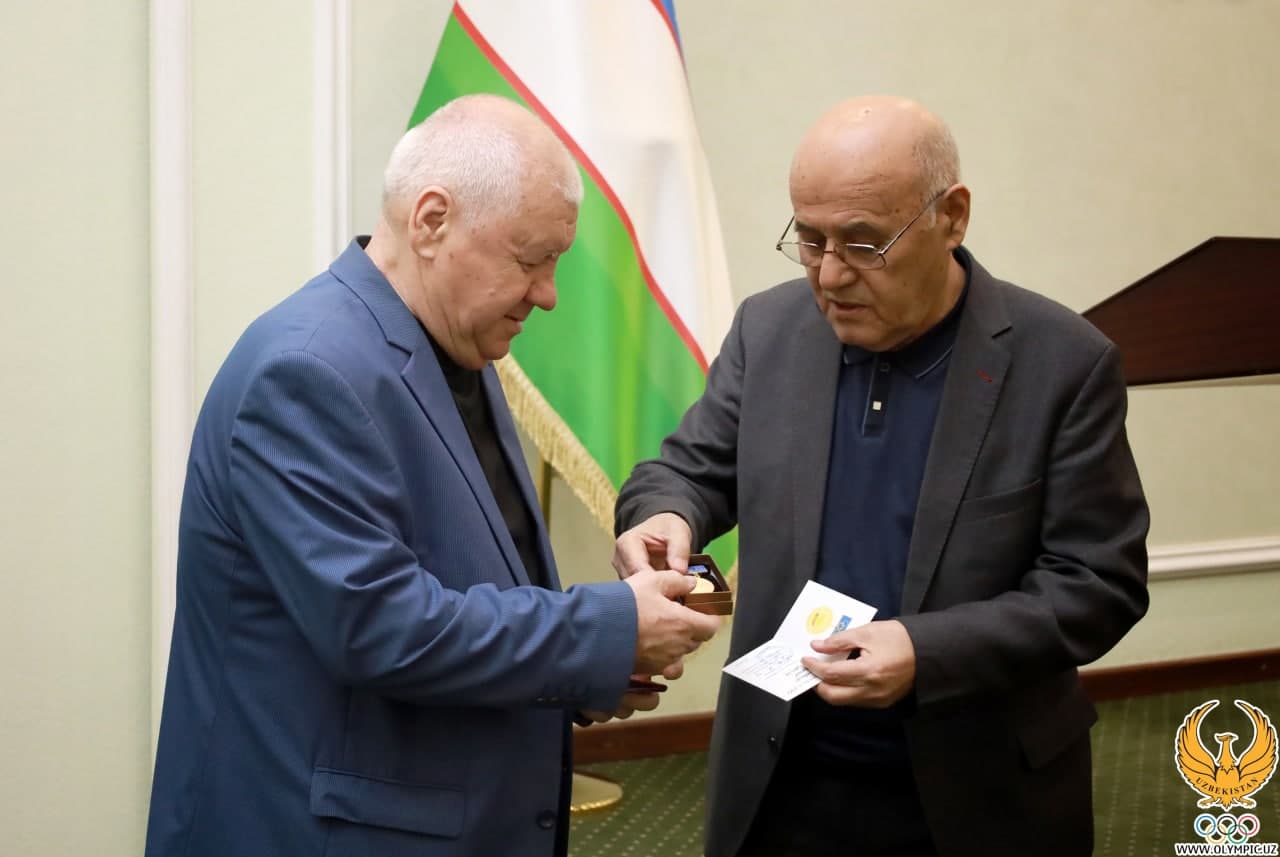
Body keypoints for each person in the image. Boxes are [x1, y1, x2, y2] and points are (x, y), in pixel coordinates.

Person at [144, 93, 721, 857]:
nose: (548, 294)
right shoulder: (307, 371)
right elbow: (380, 626)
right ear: (431, 220)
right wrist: (609, 629)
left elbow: (475, 584)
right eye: (531, 259)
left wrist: (593, 667)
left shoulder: (456, 346)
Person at [614, 96, 1149, 857]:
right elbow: (685, 472)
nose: (830, 275)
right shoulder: (770, 330)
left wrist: (927, 652)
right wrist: (665, 513)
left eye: (864, 243)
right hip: (778, 774)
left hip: (975, 788)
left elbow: (1098, 584)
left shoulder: (1063, 362)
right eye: (810, 240)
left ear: (952, 217)